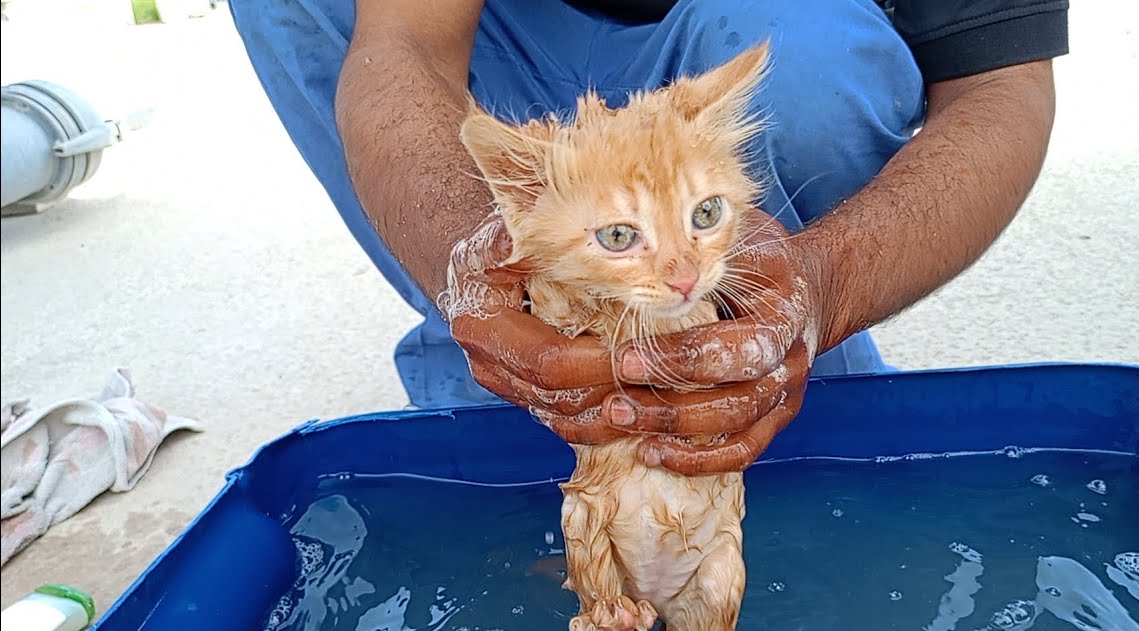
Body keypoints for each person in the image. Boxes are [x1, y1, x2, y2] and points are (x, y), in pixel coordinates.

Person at [226, 0, 1067, 475]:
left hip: (746, 44)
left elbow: (1001, 82)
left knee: (809, 66)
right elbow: (403, 40)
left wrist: (826, 284)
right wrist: (469, 254)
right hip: (497, 48)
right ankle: (498, 345)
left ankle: (772, 340)